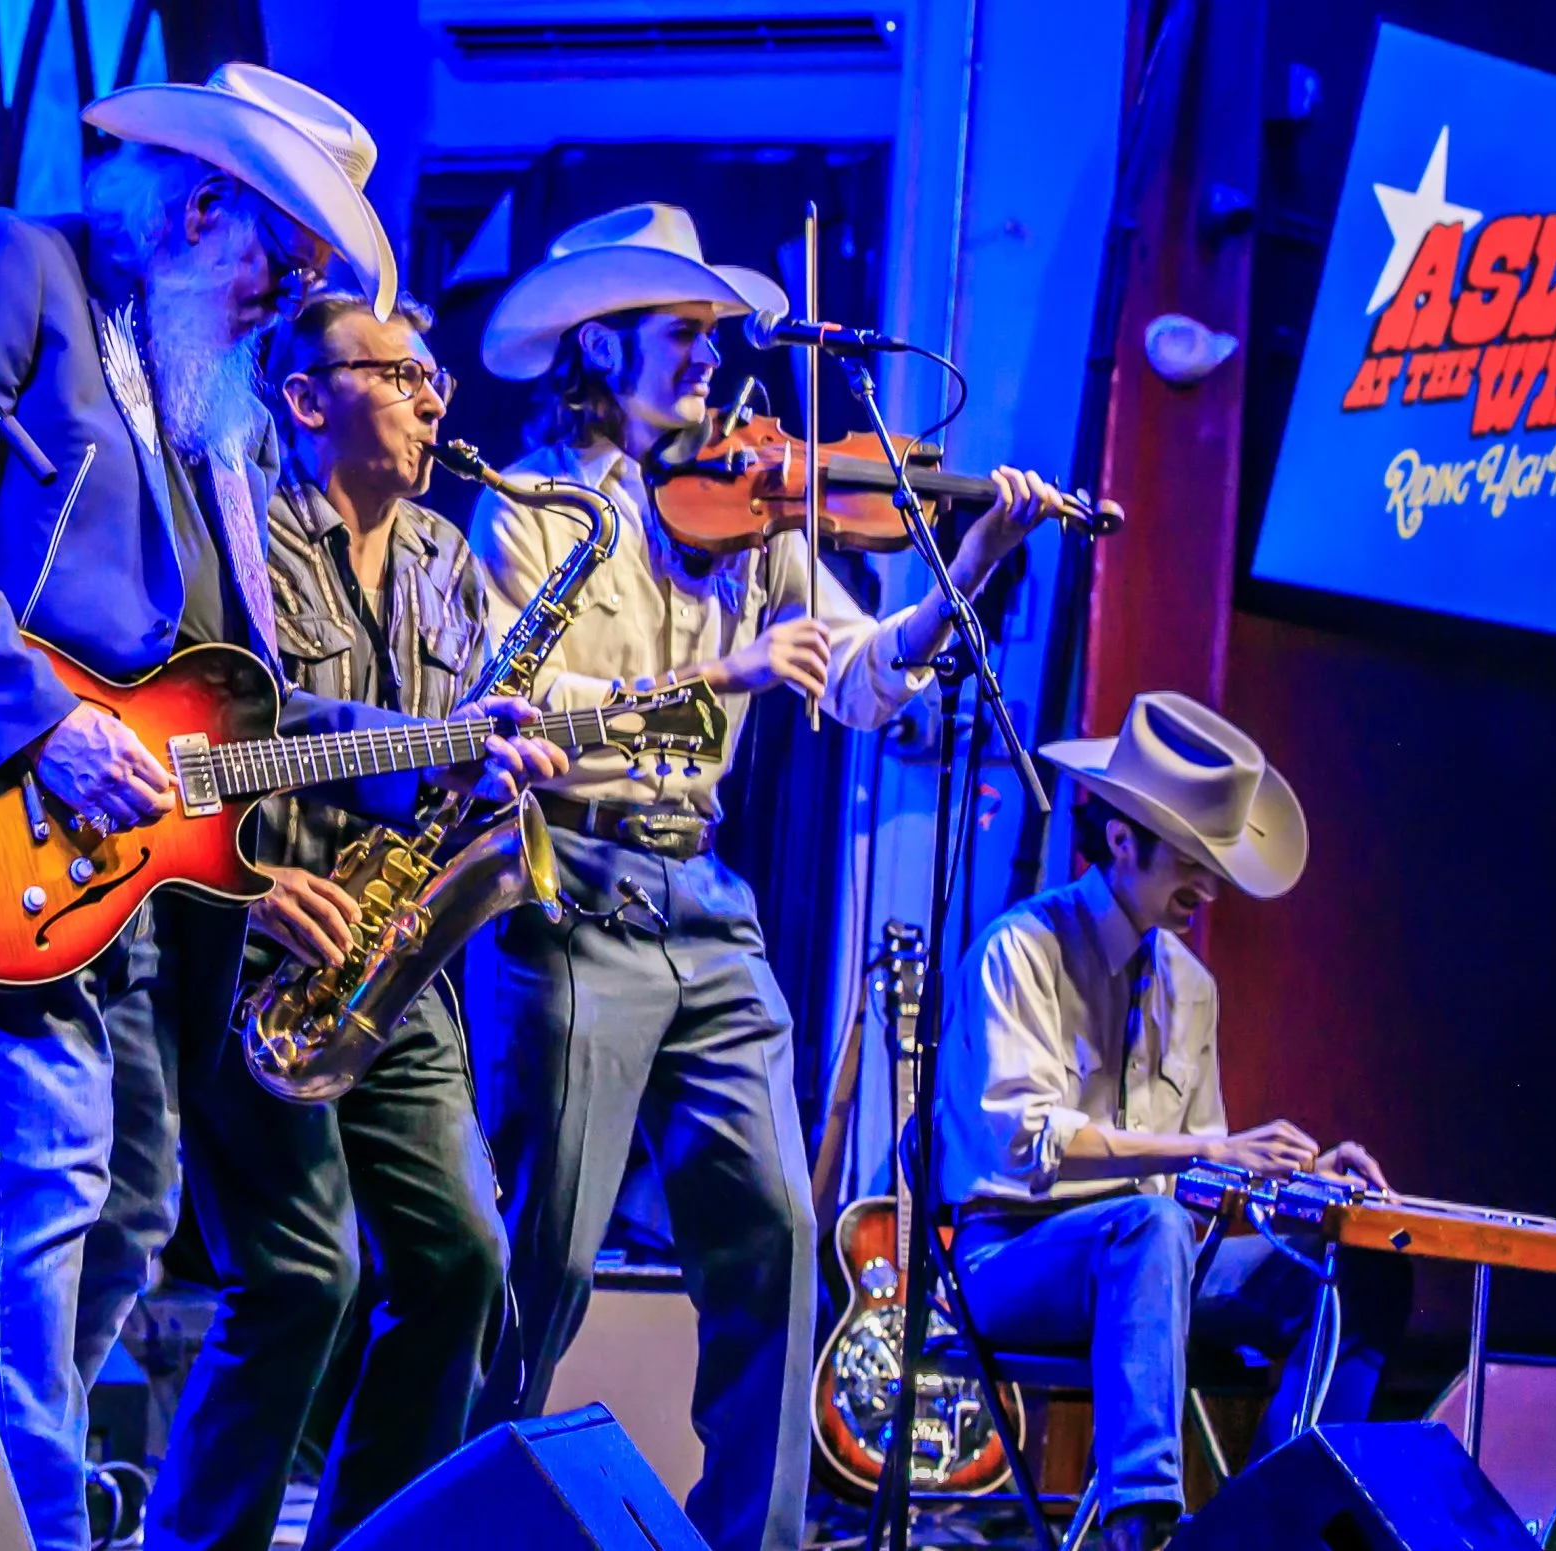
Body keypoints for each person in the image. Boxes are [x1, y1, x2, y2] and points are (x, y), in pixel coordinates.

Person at [0, 65, 552, 1551]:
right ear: (201, 203)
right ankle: (13, 1528)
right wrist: (46, 725)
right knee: (48, 1176)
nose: (285, 291)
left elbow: (247, 711)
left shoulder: (210, 418)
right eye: (274, 255)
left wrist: (441, 738)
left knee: (129, 1210)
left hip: (140, 879)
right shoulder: (17, 265)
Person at [464, 201, 1089, 1551]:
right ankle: (465, 1518)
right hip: (567, 896)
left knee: (773, 1238)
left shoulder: (758, 503)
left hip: (705, 905)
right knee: (541, 1258)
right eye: (677, 333)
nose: (707, 356)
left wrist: (968, 563)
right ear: (596, 343)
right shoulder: (527, 511)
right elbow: (511, 702)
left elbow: (861, 673)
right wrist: (716, 673)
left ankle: (747, 1535)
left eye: (708, 331)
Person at [145, 288, 533, 1551]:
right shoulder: (244, 538)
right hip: (260, 950)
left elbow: (456, 757)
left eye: (435, 376)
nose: (436, 397)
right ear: (306, 401)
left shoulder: (445, 560)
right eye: (402, 373)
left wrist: (502, 772)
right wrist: (257, 899)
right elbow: (201, 734)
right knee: (305, 1277)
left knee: (463, 1265)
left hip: (391, 963)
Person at [934, 692, 1413, 1551]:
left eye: (1216, 861)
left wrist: (1296, 1178)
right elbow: (1025, 1143)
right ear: (1121, 840)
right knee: (1147, 1226)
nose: (1210, 885)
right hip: (1010, 1259)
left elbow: (1200, 1182)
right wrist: (1209, 1147)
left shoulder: (1191, 986)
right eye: (1192, 857)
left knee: (1358, 1266)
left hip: (1154, 1265)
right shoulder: (1020, 950)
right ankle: (1141, 1526)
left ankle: (1279, 1519)